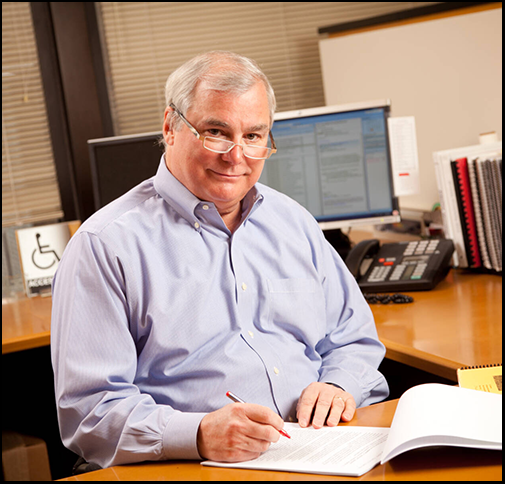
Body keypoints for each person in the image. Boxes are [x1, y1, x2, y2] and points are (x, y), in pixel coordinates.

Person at [51, 51, 389, 469]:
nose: (236, 155)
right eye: (215, 131)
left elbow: (353, 339)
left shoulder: (293, 221)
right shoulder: (105, 245)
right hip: (190, 467)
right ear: (170, 127)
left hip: (321, 450)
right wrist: (196, 435)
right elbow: (89, 412)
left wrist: (339, 385)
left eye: (253, 136)